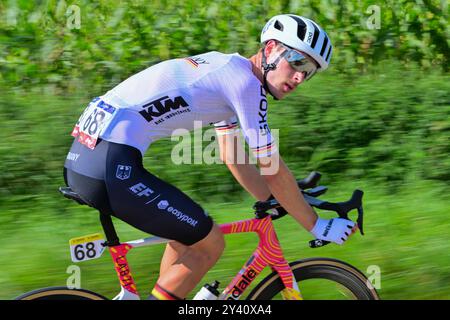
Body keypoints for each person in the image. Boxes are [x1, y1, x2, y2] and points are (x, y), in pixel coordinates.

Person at [63, 14, 357, 300]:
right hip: (110, 165)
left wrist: (277, 199)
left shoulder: (228, 70)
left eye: (309, 71)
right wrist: (317, 225)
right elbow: (271, 167)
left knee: (187, 235)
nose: (299, 76)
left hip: (89, 160)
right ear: (270, 49)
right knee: (210, 243)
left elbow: (233, 155)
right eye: (298, 61)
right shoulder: (245, 85)